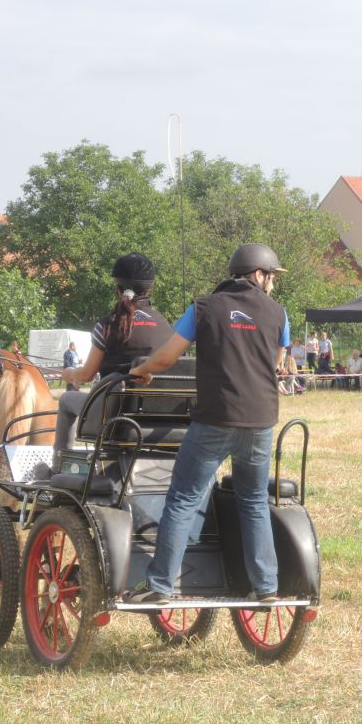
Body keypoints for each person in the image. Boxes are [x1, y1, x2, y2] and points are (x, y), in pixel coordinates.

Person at [125, 243, 289, 604]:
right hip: (261, 421)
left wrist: (142, 370)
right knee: (254, 502)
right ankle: (266, 587)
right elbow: (277, 362)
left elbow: (167, 357)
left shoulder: (204, 307)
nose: (273, 284)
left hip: (216, 418)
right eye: (272, 277)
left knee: (183, 498)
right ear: (258, 275)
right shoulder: (279, 313)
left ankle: (160, 586)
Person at [55, 253, 173, 450]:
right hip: (160, 416)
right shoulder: (166, 326)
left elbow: (87, 375)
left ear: (118, 289)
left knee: (66, 400)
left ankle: (60, 461)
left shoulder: (107, 325)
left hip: (114, 414)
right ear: (150, 288)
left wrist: (70, 374)